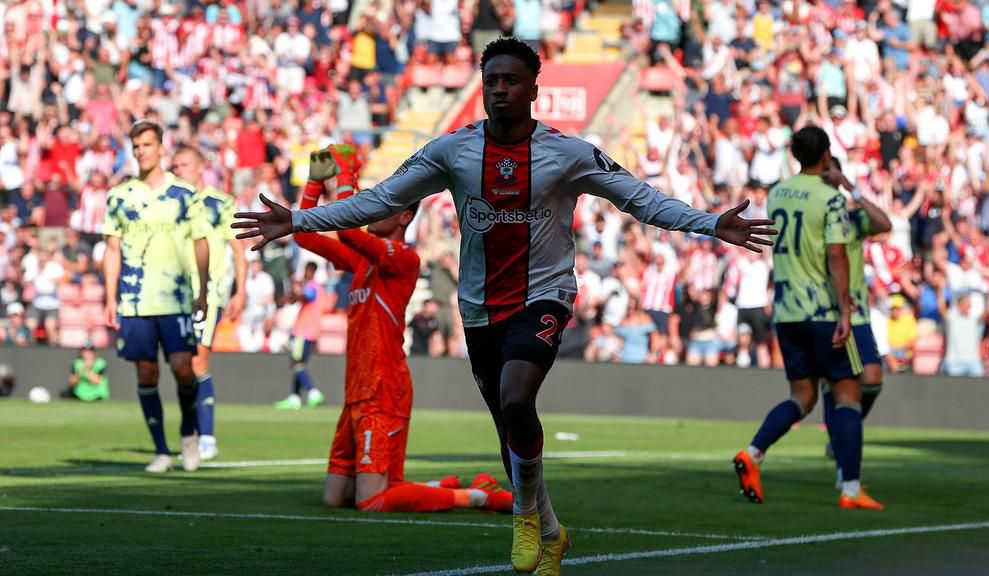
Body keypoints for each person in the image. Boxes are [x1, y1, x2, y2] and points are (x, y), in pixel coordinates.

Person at [234, 38, 775, 575]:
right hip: (479, 310)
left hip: (544, 297)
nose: (499, 89)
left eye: (510, 80)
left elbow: (640, 199)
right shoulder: (454, 150)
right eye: (491, 80)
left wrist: (710, 223)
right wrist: (299, 219)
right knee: (508, 433)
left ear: (534, 90)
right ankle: (552, 534)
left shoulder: (569, 153)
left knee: (518, 398)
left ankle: (521, 513)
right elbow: (382, 199)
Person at [297, 149, 513, 515]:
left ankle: (477, 497)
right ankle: (439, 487)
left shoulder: (403, 258)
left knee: (371, 501)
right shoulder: (364, 260)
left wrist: (347, 173)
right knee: (336, 498)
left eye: (380, 208)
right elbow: (305, 236)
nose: (371, 213)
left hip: (384, 390)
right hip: (357, 391)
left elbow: (347, 229)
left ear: (404, 216)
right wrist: (316, 182)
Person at [733, 126, 884, 510]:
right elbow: (835, 255)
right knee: (847, 393)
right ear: (826, 155)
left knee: (801, 396)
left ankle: (754, 452)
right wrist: (845, 310)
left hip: (787, 309)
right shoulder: (831, 198)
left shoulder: (779, 193)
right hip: (822, 310)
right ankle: (850, 488)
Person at [102, 120, 211, 474]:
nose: (141, 152)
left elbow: (200, 242)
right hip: (135, 301)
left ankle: (189, 432)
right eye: (136, 146)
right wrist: (108, 298)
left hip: (176, 298)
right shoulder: (119, 197)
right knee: (146, 373)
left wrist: (204, 291)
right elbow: (112, 250)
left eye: (147, 145)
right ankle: (162, 451)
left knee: (183, 371)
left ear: (161, 147)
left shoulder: (184, 194)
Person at [171, 145, 248, 461]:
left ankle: (205, 436)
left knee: (198, 362)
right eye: (175, 165)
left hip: (209, 291)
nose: (179, 170)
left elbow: (238, 248)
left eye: (185, 164)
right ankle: (193, 432)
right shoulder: (171, 202)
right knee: (181, 366)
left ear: (201, 167)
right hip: (174, 293)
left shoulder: (220, 203)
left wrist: (240, 291)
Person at [820, 158, 892, 485]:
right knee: (834, 386)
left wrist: (852, 188)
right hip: (825, 311)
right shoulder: (814, 214)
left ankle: (844, 435)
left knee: (873, 379)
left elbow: (885, 224)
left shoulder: (851, 216)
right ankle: (841, 457)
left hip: (858, 312)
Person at [275, 261, 327, 409]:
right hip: (311, 332)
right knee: (299, 364)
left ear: (311, 270)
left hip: (303, 331)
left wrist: (296, 289)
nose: (304, 272)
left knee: (296, 362)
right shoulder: (317, 288)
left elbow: (308, 295)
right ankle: (295, 398)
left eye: (306, 270)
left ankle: (313, 392)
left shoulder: (313, 286)